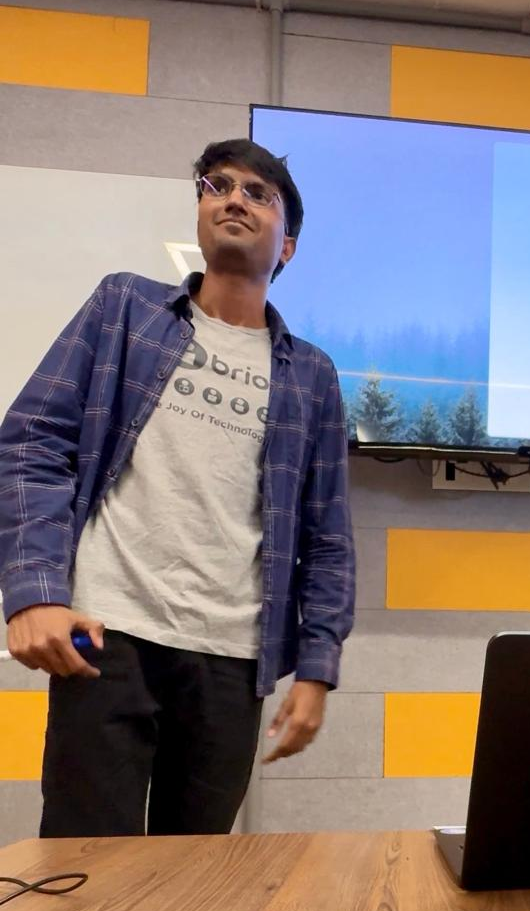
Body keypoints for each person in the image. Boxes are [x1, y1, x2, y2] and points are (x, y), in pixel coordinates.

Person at [0, 139, 355, 836]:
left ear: (287, 247)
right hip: (109, 636)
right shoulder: (125, 308)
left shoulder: (311, 375)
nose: (232, 199)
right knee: (85, 872)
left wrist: (315, 669)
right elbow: (32, 441)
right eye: (216, 185)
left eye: (259, 194)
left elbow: (329, 539)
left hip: (231, 657)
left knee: (194, 888)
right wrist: (36, 592)